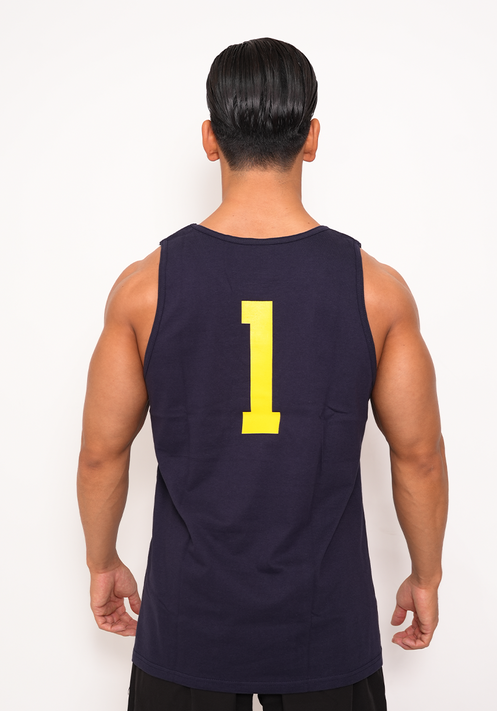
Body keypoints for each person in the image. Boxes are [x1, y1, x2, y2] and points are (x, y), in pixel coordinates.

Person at [77, 38, 448, 711]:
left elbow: (102, 453)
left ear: (209, 140)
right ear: (311, 139)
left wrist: (102, 563)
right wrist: (426, 575)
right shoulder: (377, 291)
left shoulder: (143, 289)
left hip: (188, 622)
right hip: (324, 623)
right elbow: (418, 455)